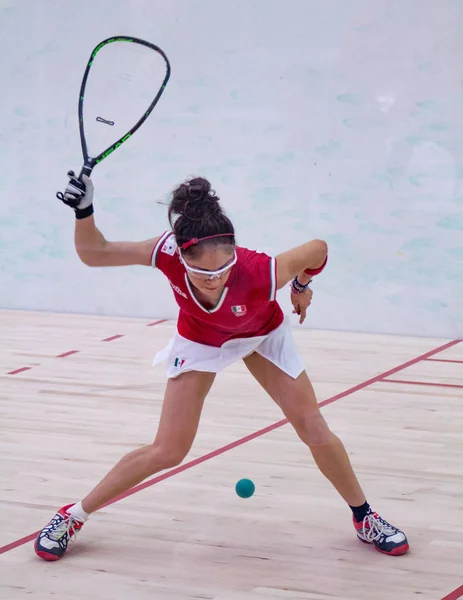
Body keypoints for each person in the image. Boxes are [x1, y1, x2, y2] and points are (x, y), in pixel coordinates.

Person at [34, 171, 409, 561]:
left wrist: (300, 286)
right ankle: (72, 516)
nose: (213, 280)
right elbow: (94, 253)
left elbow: (318, 248)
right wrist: (84, 211)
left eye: (223, 269)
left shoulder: (262, 270)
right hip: (200, 340)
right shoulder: (165, 252)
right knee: (168, 450)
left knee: (314, 426)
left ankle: (364, 517)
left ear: (234, 251)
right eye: (201, 272)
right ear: (181, 257)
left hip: (262, 334)